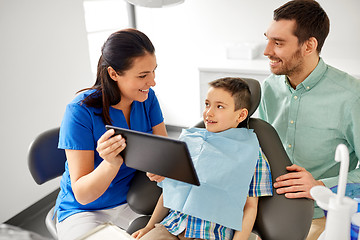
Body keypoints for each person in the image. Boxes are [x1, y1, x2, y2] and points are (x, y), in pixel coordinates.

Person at [54, 28, 168, 240]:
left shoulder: (147, 98)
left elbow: (163, 152)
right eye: (143, 75)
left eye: (153, 71)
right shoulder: (79, 111)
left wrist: (162, 166)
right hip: (84, 210)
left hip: (134, 198)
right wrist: (111, 163)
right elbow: (83, 195)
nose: (152, 82)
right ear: (113, 73)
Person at [259, 1, 360, 239]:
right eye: (268, 39)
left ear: (309, 45)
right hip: (268, 206)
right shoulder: (269, 88)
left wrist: (320, 186)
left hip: (320, 216)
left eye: (278, 43)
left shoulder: (352, 97)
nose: (266, 50)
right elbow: (258, 148)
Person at [133, 77, 273, 240]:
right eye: (207, 104)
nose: (209, 112)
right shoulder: (188, 142)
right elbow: (170, 191)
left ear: (241, 115)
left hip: (211, 234)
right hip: (172, 226)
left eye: (219, 106)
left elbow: (250, 207)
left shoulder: (252, 155)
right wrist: (150, 226)